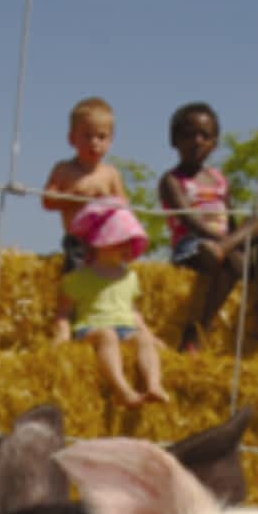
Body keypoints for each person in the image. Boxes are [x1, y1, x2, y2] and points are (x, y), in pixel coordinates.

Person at [159, 102, 258, 355]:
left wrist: (231, 241)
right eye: (189, 134)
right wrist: (221, 241)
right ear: (174, 140)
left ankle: (224, 253)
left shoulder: (218, 179)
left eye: (205, 136)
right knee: (222, 256)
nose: (197, 141)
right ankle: (198, 328)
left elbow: (231, 218)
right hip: (191, 244)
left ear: (215, 142)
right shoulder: (171, 180)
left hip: (221, 244)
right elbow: (189, 220)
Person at [55, 199, 169, 408]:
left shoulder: (130, 277)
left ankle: (154, 385)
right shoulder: (77, 278)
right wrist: (63, 333)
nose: (127, 248)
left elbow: (134, 313)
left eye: (129, 242)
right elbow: (64, 311)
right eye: (121, 242)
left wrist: (150, 335)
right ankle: (122, 390)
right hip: (91, 329)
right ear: (101, 243)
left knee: (142, 338)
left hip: (125, 329)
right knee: (107, 335)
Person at [41, 97, 128, 272]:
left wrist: (107, 200)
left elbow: (125, 206)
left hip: (106, 240)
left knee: (117, 272)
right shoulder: (64, 169)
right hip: (77, 238)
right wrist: (74, 198)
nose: (94, 142)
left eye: (101, 137)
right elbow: (47, 200)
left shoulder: (110, 173)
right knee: (75, 269)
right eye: (87, 136)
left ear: (111, 140)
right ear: (72, 139)